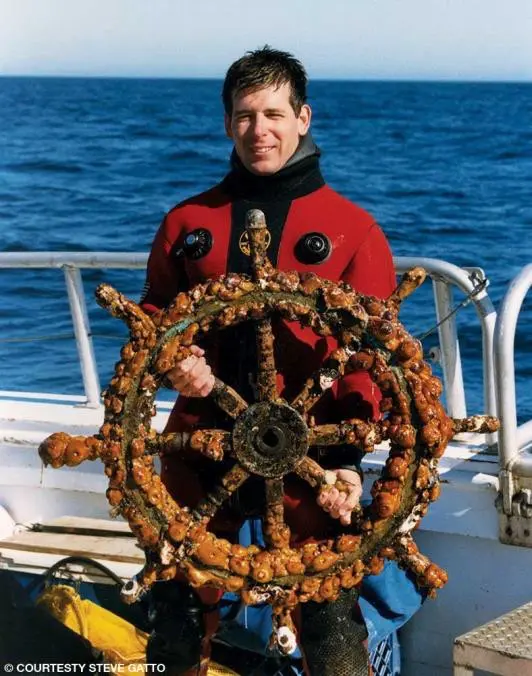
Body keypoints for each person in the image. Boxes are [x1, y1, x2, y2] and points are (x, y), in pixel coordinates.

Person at [141, 46, 422, 676]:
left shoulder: (354, 230)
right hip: (196, 446)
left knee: (327, 614)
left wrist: (349, 461)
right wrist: (173, 358)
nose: (258, 130)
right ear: (226, 124)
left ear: (303, 118)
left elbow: (371, 359)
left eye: (273, 113)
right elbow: (154, 318)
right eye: (244, 115)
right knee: (178, 613)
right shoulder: (188, 221)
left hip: (311, 450)